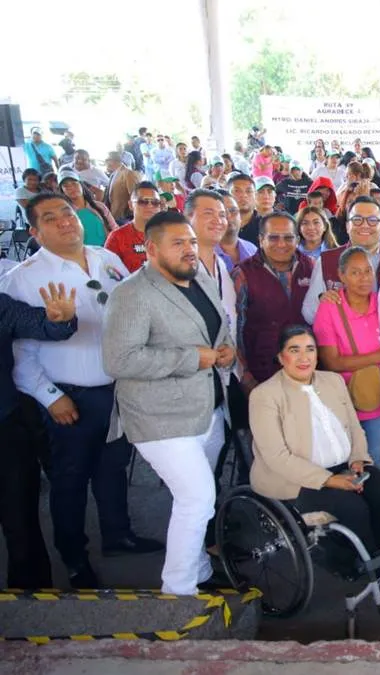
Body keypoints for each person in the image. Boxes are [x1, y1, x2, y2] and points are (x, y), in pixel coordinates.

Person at [1, 193, 158, 589]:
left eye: (67, 213)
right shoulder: (23, 277)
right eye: (51, 218)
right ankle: (73, 558)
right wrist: (51, 396)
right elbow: (22, 353)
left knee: (112, 469)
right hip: (69, 398)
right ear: (35, 232)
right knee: (69, 483)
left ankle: (118, 535)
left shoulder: (105, 258)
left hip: (118, 390)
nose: (65, 221)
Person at [101, 210, 234, 595]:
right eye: (179, 243)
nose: (190, 250)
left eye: (191, 241)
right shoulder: (131, 294)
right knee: (197, 498)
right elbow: (119, 361)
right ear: (152, 249)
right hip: (157, 417)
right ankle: (178, 592)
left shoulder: (202, 278)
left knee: (197, 497)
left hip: (206, 409)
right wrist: (193, 357)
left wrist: (226, 350)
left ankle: (201, 570)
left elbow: (221, 328)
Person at [248, 325, 380, 607]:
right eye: (295, 350)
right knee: (353, 507)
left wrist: (358, 459)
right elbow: (276, 457)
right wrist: (329, 480)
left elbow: (354, 426)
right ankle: (374, 572)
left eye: (310, 349)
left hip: (344, 466)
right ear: (281, 357)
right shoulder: (266, 395)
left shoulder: (332, 381)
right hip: (297, 480)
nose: (304, 357)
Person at [0, 279, 79, 589]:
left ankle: (34, 605)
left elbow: (43, 325)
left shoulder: (2, 305)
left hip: (6, 432)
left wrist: (60, 320)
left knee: (21, 525)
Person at [311, 246, 380, 470]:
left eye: (368, 271)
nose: (363, 278)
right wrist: (378, 356)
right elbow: (332, 362)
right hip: (342, 399)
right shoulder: (330, 308)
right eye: (355, 272)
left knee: (374, 458)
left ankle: (376, 503)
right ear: (341, 276)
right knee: (345, 461)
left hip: (376, 397)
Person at [232, 212, 315, 394]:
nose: (281, 244)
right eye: (273, 237)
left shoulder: (312, 267)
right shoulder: (244, 274)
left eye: (288, 238)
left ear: (297, 239)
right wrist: (246, 380)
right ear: (261, 239)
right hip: (262, 377)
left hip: (307, 375)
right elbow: (235, 332)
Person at [302, 197, 380, 324]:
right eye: (357, 219)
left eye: (373, 220)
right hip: (342, 340)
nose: (364, 225)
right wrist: (324, 304)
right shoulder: (327, 260)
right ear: (347, 226)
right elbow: (308, 313)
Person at [104, 181, 163, 272]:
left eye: (155, 202)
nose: (150, 205)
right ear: (131, 205)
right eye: (143, 201)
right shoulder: (117, 238)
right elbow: (108, 274)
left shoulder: (168, 234)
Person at [59, 170, 117, 247]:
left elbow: (115, 228)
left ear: (81, 185)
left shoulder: (99, 206)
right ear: (62, 191)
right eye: (66, 186)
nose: (71, 188)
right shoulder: (64, 213)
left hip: (107, 249)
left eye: (74, 183)